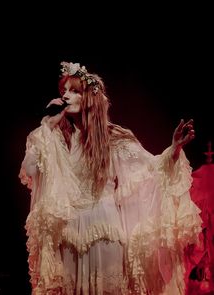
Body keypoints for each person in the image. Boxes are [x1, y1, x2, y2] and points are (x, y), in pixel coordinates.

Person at [19, 61, 202, 295]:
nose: (66, 96)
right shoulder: (55, 138)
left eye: (74, 90)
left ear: (89, 98)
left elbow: (150, 168)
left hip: (104, 233)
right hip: (69, 234)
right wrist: (49, 124)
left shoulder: (113, 137)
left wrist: (174, 149)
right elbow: (30, 168)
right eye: (64, 91)